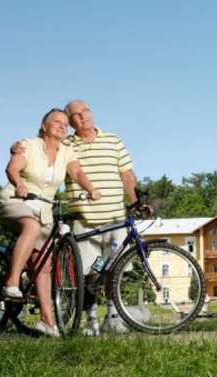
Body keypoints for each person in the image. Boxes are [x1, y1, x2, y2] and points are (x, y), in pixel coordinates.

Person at [12, 100, 140, 335]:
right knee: (88, 273)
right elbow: (42, 146)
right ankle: (90, 319)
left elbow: (127, 174)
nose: (83, 117)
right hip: (84, 219)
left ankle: (112, 315)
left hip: (115, 218)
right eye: (76, 115)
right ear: (70, 123)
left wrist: (135, 201)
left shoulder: (113, 140)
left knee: (115, 268)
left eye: (86, 111)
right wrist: (18, 147)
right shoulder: (66, 145)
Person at [0, 108, 100, 337]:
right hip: (17, 201)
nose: (62, 125)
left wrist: (91, 188)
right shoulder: (29, 145)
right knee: (31, 227)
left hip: (44, 211)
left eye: (65, 123)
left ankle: (48, 323)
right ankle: (12, 282)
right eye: (56, 121)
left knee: (43, 266)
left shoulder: (67, 151)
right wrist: (19, 184)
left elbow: (76, 173)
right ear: (44, 126)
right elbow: (12, 168)